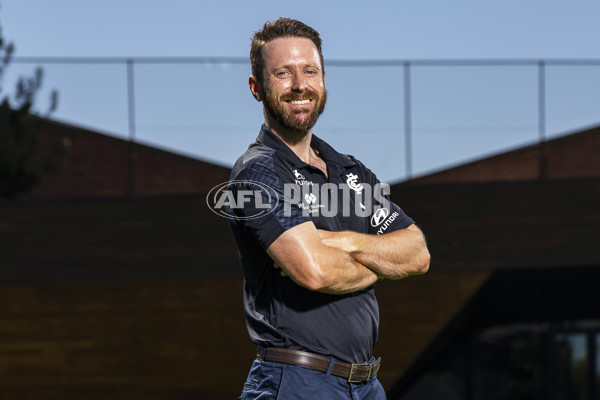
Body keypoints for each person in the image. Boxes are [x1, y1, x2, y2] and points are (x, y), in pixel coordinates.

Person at [227, 17, 430, 400]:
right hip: (297, 381)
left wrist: (342, 243)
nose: (300, 84)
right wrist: (382, 264)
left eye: (310, 71)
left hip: (366, 384)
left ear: (323, 80)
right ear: (257, 88)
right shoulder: (258, 172)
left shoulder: (349, 169)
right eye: (283, 73)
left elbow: (417, 253)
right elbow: (315, 271)